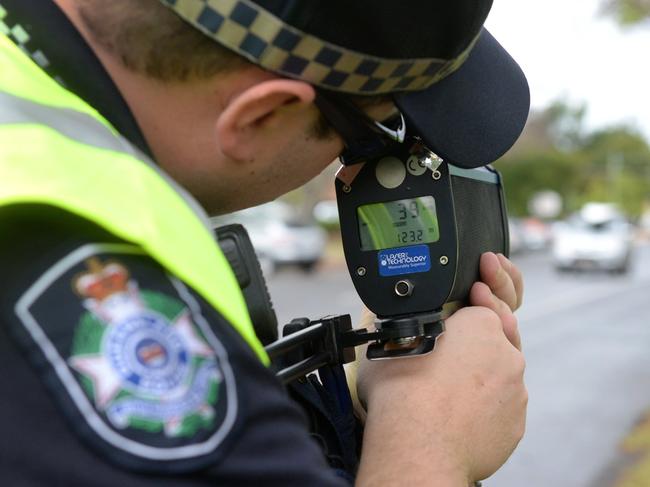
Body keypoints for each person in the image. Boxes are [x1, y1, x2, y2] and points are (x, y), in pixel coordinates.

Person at [0, 0, 528, 485]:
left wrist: (348, 408)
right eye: (375, 132)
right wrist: (430, 442)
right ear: (260, 114)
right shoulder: (67, 267)